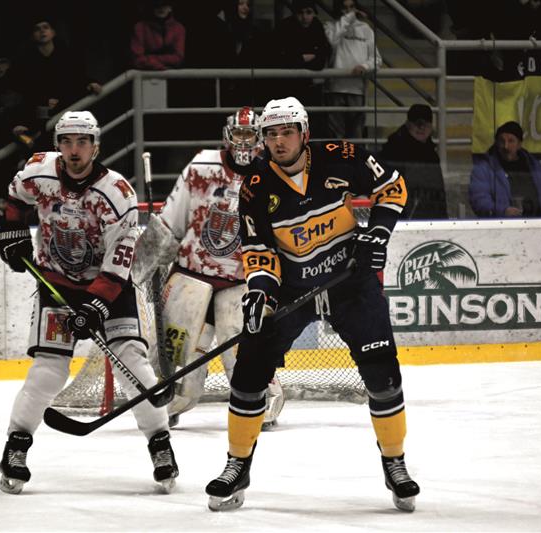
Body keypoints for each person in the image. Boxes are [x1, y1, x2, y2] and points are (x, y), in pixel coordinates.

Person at [204, 97, 420, 512]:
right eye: (271, 134)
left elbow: (392, 186)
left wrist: (378, 232)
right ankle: (237, 464)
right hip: (292, 288)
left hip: (349, 281)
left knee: (382, 375)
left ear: (305, 133)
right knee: (249, 372)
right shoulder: (255, 187)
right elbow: (258, 248)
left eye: (287, 132)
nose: (278, 141)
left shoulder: (341, 156)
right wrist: (260, 292)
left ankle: (395, 462)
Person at [0, 111, 178, 495]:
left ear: (96, 146)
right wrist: (11, 227)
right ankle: (16, 447)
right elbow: (15, 195)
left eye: (82, 142)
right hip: (55, 284)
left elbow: (120, 262)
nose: (74, 151)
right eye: (66, 142)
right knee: (48, 371)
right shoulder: (38, 171)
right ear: (57, 145)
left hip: (109, 288)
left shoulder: (117, 194)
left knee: (134, 364)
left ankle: (160, 444)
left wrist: (95, 307)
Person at [132, 107, 285, 430]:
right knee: (179, 371)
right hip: (193, 272)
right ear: (227, 136)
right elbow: (172, 218)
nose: (244, 141)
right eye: (239, 134)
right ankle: (169, 399)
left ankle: (263, 394)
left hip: (243, 279)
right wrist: (141, 267)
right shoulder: (202, 166)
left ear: (260, 138)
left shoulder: (273, 174)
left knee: (241, 349)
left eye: (250, 134)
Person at [13, 18, 102, 147]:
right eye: (38, 29)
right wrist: (44, 100)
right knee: (32, 141)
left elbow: (77, 77)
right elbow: (25, 87)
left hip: (63, 107)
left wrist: (91, 83)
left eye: (45, 27)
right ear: (33, 35)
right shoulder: (27, 59)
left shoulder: (65, 54)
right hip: (37, 112)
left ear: (53, 32)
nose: (42, 31)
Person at [469, 121, 541, 218]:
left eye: (511, 141)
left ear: (519, 144)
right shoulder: (484, 169)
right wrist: (503, 211)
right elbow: (479, 201)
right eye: (501, 141)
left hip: (536, 225)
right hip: (502, 227)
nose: (506, 146)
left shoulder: (534, 166)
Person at [323, 0, 382, 140]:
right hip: (334, 89)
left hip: (357, 90)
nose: (349, 11)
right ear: (339, 9)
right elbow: (332, 40)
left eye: (351, 7)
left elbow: (377, 59)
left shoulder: (366, 29)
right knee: (336, 137)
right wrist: (349, 18)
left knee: (356, 136)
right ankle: (337, 162)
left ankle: (354, 162)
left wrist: (364, 66)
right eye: (345, 8)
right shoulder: (330, 26)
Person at [379, 104, 448, 219]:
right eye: (417, 124)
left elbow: (439, 193)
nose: (421, 128)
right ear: (408, 124)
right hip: (400, 217)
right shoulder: (393, 150)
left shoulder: (431, 154)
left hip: (428, 216)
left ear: (431, 127)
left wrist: (443, 219)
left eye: (425, 124)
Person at [130, 0, 186, 71]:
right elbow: (137, 59)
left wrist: (149, 58)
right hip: (146, 74)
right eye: (157, 5)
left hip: (172, 75)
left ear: (171, 7)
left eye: (165, 4)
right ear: (152, 7)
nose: (161, 8)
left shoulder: (179, 28)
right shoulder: (140, 27)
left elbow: (178, 58)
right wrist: (159, 67)